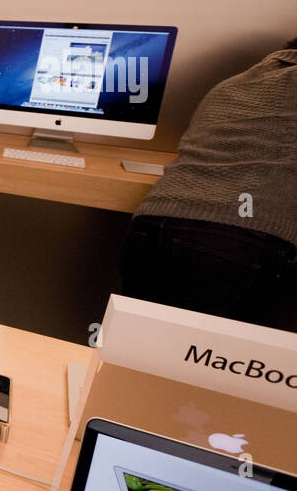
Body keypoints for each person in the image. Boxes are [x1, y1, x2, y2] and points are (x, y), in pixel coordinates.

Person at [120, 42, 297, 332]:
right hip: (237, 239)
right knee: (198, 359)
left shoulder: (236, 82)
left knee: (133, 344)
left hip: (153, 224)